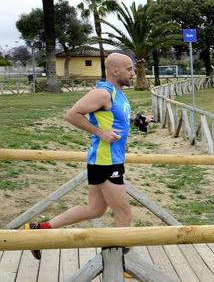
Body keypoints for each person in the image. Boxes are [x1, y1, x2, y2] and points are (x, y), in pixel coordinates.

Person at [24, 53, 137, 260]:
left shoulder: (118, 93)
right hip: (106, 161)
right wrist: (100, 132)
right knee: (124, 214)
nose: (133, 72)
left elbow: (117, 119)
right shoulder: (103, 93)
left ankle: (41, 229)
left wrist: (138, 121)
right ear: (114, 70)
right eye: (129, 69)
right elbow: (72, 114)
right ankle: (119, 261)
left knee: (94, 210)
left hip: (109, 160)